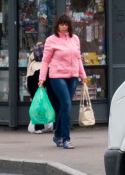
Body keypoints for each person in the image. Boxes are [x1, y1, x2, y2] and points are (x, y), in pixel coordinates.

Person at [38, 14, 88, 149]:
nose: (64, 27)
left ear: (69, 25)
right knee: (66, 104)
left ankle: (57, 135)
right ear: (57, 26)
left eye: (66, 24)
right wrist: (42, 78)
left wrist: (83, 75)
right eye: (61, 24)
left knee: (64, 106)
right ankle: (66, 139)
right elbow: (45, 60)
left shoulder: (75, 39)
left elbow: (78, 59)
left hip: (72, 76)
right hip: (57, 76)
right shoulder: (51, 40)